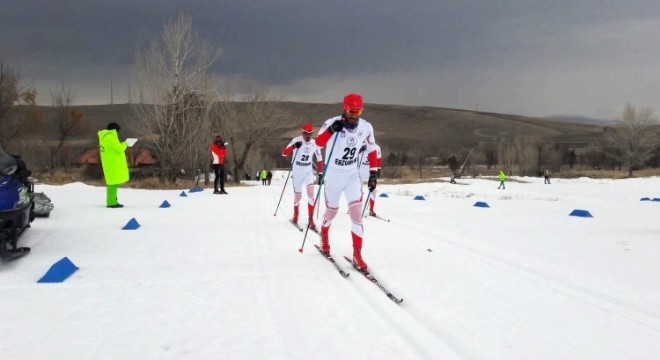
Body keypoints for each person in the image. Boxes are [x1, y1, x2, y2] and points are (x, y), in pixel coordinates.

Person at [314, 93, 379, 271]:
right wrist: (330, 131)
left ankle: (357, 254)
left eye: (358, 111)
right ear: (344, 108)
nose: (354, 115)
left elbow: (372, 149)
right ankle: (324, 235)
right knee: (332, 211)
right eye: (351, 111)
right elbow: (318, 144)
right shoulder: (332, 123)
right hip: (334, 175)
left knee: (357, 214)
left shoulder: (366, 127)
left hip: (352, 174)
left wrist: (373, 173)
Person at [281, 123, 324, 229]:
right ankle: (295, 215)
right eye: (305, 133)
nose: (307, 136)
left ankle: (311, 219)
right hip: (297, 172)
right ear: (302, 132)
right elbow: (284, 153)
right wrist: (294, 147)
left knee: (311, 194)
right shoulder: (296, 140)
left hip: (308, 171)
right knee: (298, 196)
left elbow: (319, 159)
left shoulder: (315, 143)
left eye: (310, 134)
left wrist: (320, 173)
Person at [98, 122, 137, 208]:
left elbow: (114, 147)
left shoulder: (104, 136)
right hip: (112, 163)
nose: (117, 133)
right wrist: (126, 143)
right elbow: (119, 149)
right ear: (114, 130)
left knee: (112, 183)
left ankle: (112, 201)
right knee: (113, 183)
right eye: (117, 131)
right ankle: (112, 202)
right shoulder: (110, 137)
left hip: (109, 163)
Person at [358, 142, 382, 217]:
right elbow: (352, 155)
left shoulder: (376, 147)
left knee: (373, 189)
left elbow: (379, 159)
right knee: (357, 189)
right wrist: (359, 150)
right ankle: (356, 209)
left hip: (371, 169)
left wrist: (378, 169)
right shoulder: (358, 144)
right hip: (360, 169)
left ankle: (371, 210)